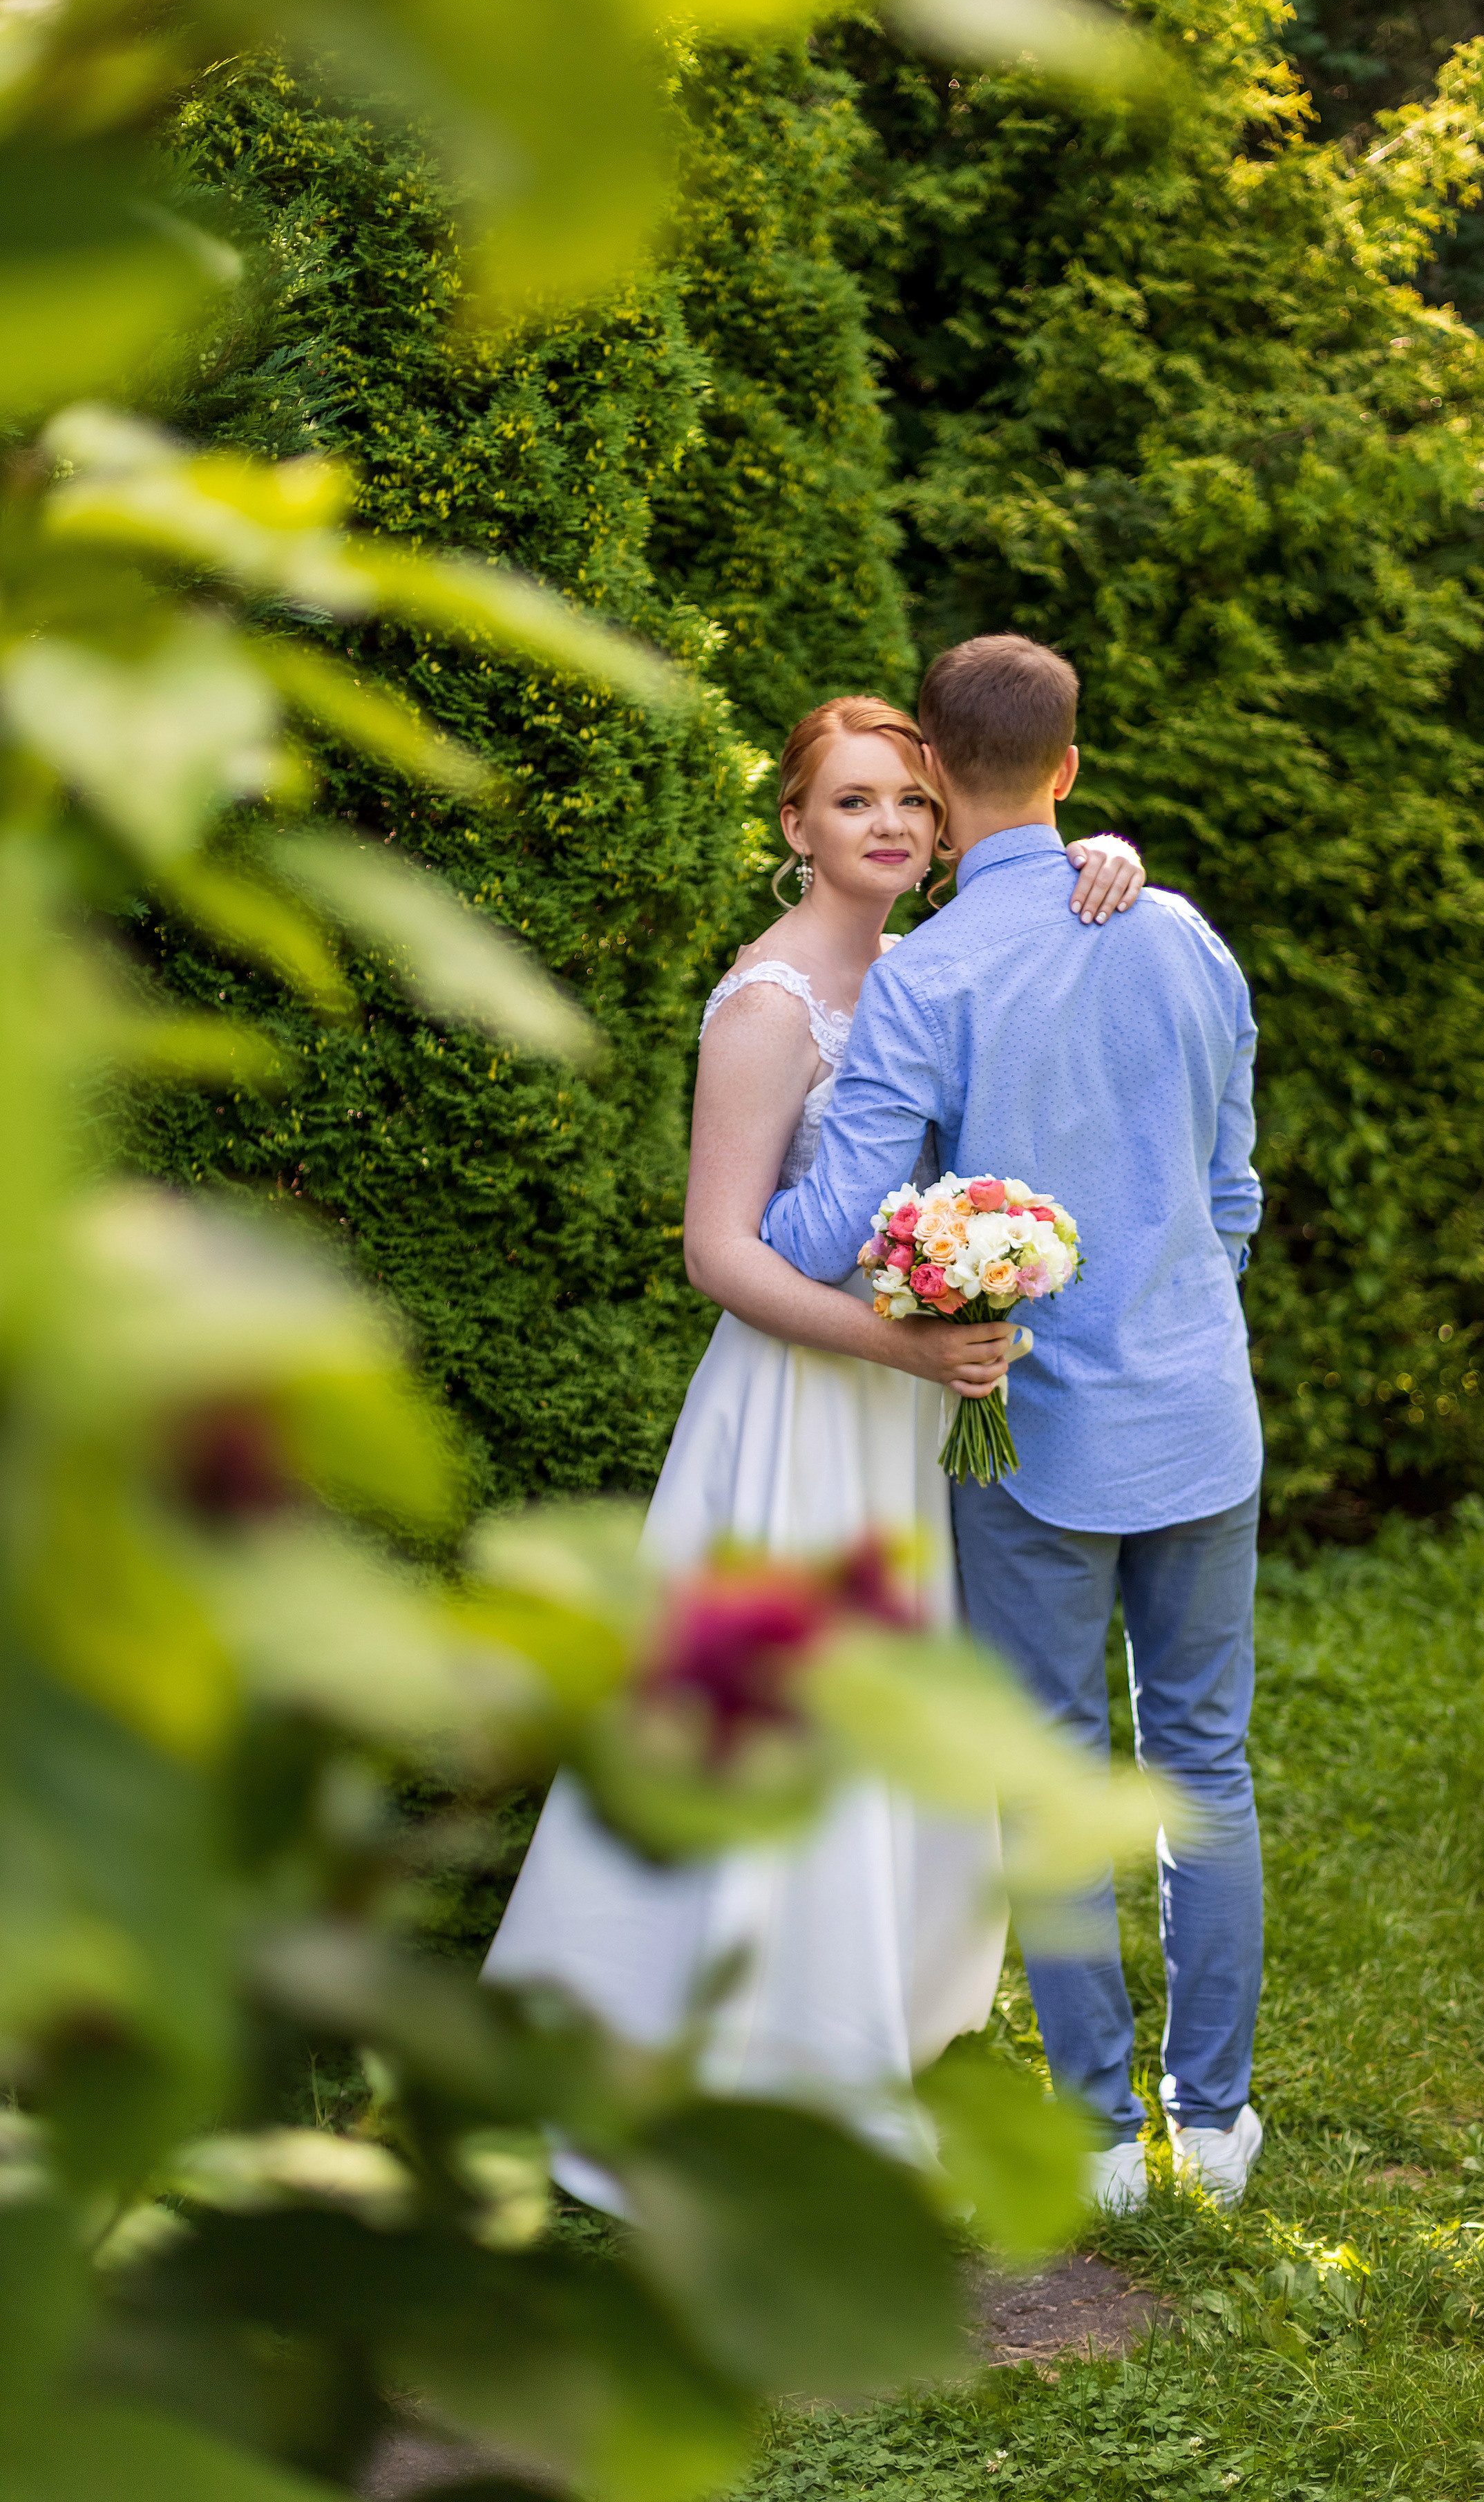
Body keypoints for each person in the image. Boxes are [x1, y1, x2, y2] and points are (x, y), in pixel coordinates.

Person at [482, 692, 1147, 2206]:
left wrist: (1097, 854)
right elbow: (721, 1254)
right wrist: (907, 1344)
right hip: (801, 1407)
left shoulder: (927, 969)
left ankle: (881, 2027)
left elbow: (1048, 961)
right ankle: (734, 2054)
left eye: (914, 801)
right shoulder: (770, 1004)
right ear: (795, 829)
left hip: (912, 1418)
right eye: (855, 803)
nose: (895, 826)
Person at [763, 636, 1266, 2212]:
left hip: (1030, 1432)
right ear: (1069, 764)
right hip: (1202, 1415)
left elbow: (823, 1226)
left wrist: (770, 1192)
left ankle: (1107, 2140)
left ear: (935, 778)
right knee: (1204, 1769)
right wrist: (1177, 1299)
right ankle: (1224, 2124)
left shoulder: (928, 973)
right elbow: (1233, 1192)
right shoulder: (1184, 936)